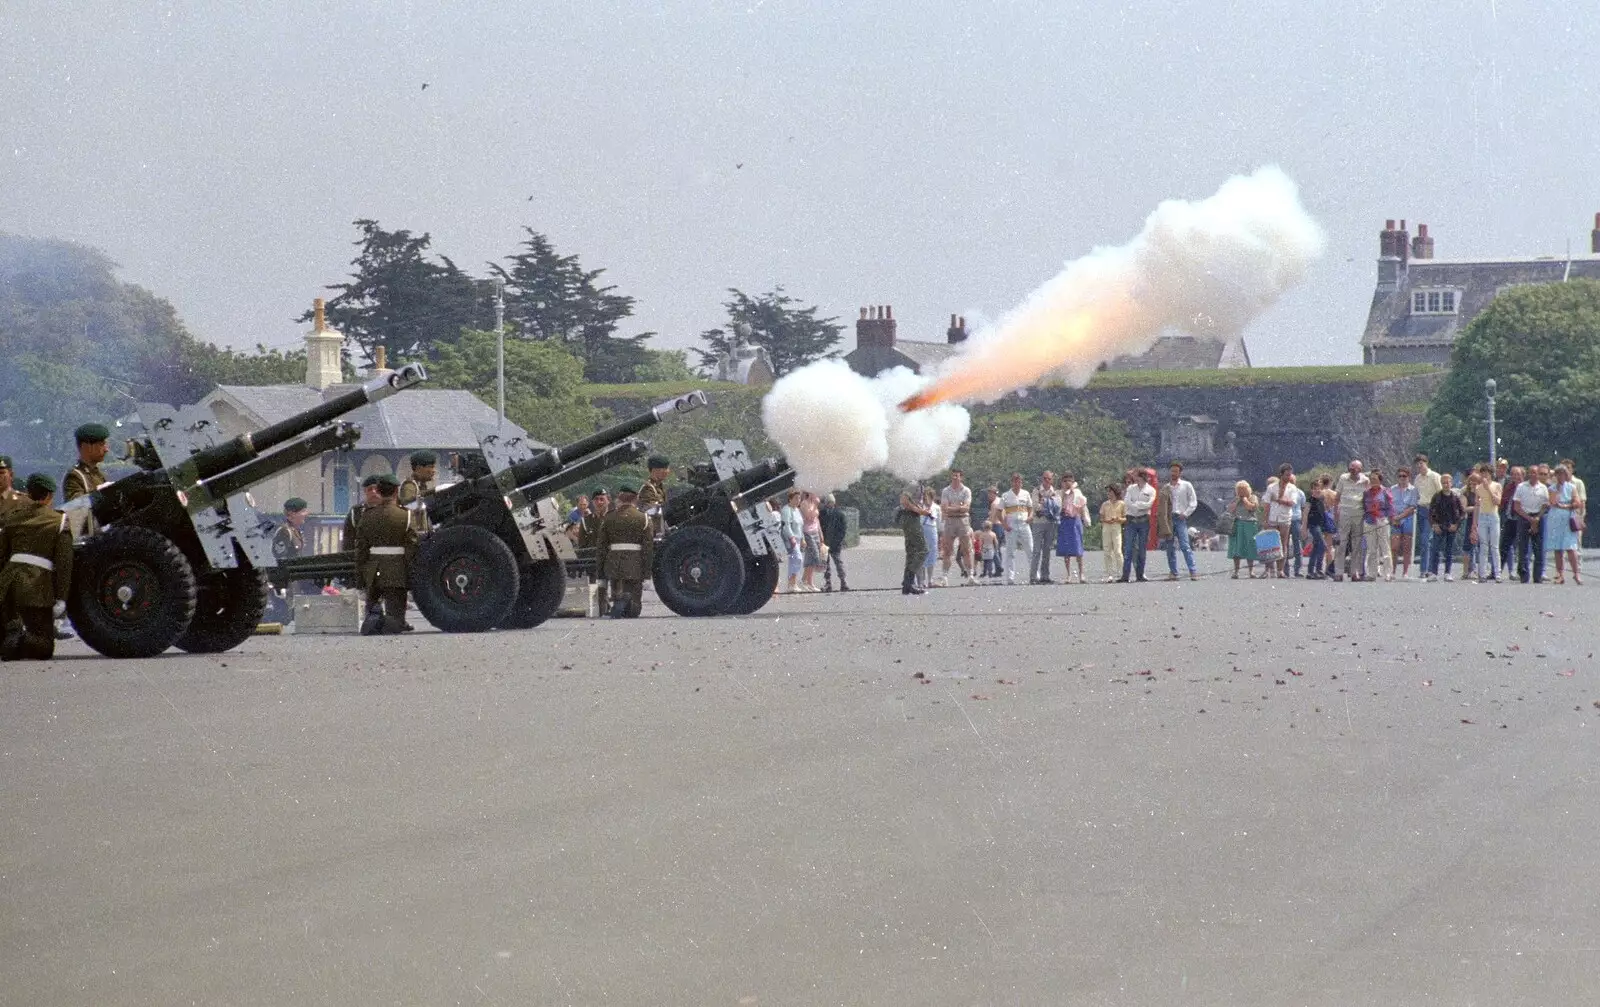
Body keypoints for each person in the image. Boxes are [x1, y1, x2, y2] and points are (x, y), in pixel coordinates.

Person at [0, 474, 73, 661]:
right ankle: (21, 639)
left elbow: (2, 555)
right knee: (45, 646)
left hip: (8, 585)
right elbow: (64, 563)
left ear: (29, 493)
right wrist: (61, 599)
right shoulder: (58, 521)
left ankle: (12, 636)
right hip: (37, 587)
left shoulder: (11, 518)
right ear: (49, 496)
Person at [355, 474, 415, 635]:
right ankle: (392, 623)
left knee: (372, 603)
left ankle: (373, 623)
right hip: (397, 569)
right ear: (396, 491)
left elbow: (361, 549)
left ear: (379, 492)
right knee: (395, 611)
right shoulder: (406, 516)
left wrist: (361, 575)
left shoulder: (367, 516)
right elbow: (411, 547)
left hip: (373, 569)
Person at [596, 485, 653, 617]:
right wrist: (647, 575)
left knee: (616, 593)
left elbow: (601, 548)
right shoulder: (643, 518)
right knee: (635, 609)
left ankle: (620, 600)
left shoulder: (608, 518)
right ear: (636, 499)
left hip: (614, 564)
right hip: (635, 564)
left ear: (619, 498)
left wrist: (601, 575)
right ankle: (629, 603)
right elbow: (648, 549)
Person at [271, 497, 322, 600]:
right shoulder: (284, 532)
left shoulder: (295, 530)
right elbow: (278, 560)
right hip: (285, 586)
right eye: (303, 511)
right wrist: (280, 585)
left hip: (294, 583)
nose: (306, 514)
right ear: (292, 514)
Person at [1160, 462, 1199, 582]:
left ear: (1180, 473)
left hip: (1180, 518)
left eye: (1176, 471)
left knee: (1185, 545)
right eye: (1172, 471)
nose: (1173, 473)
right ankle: (1173, 572)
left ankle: (1193, 571)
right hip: (1169, 519)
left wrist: (1185, 513)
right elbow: (1161, 505)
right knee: (1170, 546)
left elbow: (1193, 502)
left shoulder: (1186, 485)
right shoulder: (1166, 487)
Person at [575, 487, 610, 615]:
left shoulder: (614, 518)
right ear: (592, 503)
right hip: (595, 562)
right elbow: (582, 545)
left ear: (608, 500)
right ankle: (602, 608)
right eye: (596, 500)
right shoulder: (586, 521)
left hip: (613, 560)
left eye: (602, 499)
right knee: (598, 588)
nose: (599, 502)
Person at [1332, 460, 1368, 582]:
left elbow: (1368, 498)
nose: (1352, 470)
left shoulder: (1365, 481)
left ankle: (1355, 572)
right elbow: (1337, 498)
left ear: (1360, 469)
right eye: (1351, 468)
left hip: (1359, 514)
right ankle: (1338, 572)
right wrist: (1336, 512)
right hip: (1345, 514)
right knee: (1341, 544)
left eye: (1355, 468)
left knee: (1357, 545)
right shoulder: (1343, 478)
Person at [1546, 464, 1582, 585]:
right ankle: (1560, 574)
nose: (1561, 476)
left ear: (1566, 475)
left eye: (1563, 474)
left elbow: (1577, 502)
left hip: (1568, 517)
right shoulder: (1552, 488)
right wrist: (1558, 492)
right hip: (1556, 518)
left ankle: (1576, 574)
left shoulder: (1571, 487)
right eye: (1558, 474)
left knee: (1571, 548)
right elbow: (1553, 502)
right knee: (1558, 548)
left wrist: (1566, 505)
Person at [1512, 466, 1549, 584]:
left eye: (1535, 473)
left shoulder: (1543, 488)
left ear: (1538, 474)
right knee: (1523, 547)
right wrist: (1529, 519)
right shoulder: (1521, 487)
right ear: (1528, 474)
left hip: (1538, 517)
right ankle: (1524, 575)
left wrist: (1537, 518)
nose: (1533, 475)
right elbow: (1517, 506)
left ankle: (1537, 576)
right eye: (1531, 473)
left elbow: (1545, 505)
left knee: (1539, 547)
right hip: (1524, 517)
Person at [938, 470, 975, 586]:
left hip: (963, 521)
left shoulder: (966, 490)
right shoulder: (946, 491)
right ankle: (944, 577)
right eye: (953, 476)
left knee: (966, 549)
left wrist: (953, 507)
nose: (954, 478)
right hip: (949, 521)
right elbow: (944, 508)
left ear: (961, 478)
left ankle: (971, 576)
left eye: (957, 476)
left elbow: (966, 508)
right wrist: (959, 507)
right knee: (947, 550)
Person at [1425, 473, 1464, 582]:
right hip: (1439, 526)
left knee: (1449, 550)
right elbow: (1431, 512)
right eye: (1444, 483)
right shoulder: (1436, 496)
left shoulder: (1455, 497)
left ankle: (1448, 573)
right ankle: (1434, 573)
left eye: (1448, 482)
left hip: (1451, 527)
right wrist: (1434, 525)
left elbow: (1462, 513)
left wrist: (1456, 525)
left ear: (1451, 483)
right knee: (1435, 549)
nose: (1446, 485)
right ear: (1441, 484)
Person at [1120, 469, 1155, 583]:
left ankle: (1140, 574)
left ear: (1142, 477)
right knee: (1128, 548)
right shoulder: (1131, 488)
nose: (1134, 478)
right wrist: (1139, 506)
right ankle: (1125, 575)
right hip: (1131, 520)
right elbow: (1126, 501)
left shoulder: (1151, 490)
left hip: (1143, 521)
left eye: (1136, 476)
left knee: (1141, 549)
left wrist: (1136, 506)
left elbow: (1149, 504)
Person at [999, 473, 1034, 586]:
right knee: (1010, 552)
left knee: (1030, 550)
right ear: (1012, 482)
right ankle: (1010, 577)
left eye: (1019, 481)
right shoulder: (1006, 495)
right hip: (1011, 525)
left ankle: (1034, 575)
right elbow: (999, 511)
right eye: (1015, 481)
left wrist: (1030, 517)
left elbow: (1031, 508)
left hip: (1024, 524)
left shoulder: (1026, 494)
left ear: (1021, 482)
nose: (1017, 483)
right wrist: (1004, 524)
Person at [1055, 471, 1090, 584]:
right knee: (1066, 550)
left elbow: (1082, 505)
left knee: (1077, 547)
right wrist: (1064, 495)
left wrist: (1085, 519)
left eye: (1069, 481)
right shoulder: (1059, 493)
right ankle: (1068, 574)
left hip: (1075, 520)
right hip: (1064, 521)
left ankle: (1081, 574)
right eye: (1065, 481)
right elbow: (1056, 507)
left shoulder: (1077, 492)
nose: (1067, 483)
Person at [1470, 463, 1502, 583]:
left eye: (1486, 474)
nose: (1484, 476)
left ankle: (1497, 574)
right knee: (1483, 546)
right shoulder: (1478, 488)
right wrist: (1474, 523)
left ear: (1490, 475)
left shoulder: (1497, 486)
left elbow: (1497, 501)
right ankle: (1482, 574)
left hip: (1493, 516)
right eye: (1482, 473)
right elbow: (1477, 506)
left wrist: (1488, 488)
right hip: (1482, 516)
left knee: (1494, 546)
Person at [1411, 454, 1443, 575]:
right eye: (1417, 464)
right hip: (1421, 509)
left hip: (1432, 509)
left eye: (1421, 463)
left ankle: (1427, 569)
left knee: (1426, 539)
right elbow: (1416, 495)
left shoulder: (1435, 476)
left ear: (1426, 463)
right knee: (1424, 540)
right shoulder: (1417, 478)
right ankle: (1425, 569)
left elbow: (1440, 494)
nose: (1420, 466)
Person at [1362, 469, 1395, 581]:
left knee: (1385, 547)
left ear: (1380, 480)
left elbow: (1390, 506)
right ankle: (1372, 573)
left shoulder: (1386, 491)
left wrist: (1390, 518)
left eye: (1375, 479)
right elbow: (1364, 507)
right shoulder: (1366, 493)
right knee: (1371, 549)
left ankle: (1388, 574)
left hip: (1382, 520)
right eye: (1371, 479)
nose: (1372, 481)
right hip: (1369, 521)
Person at [898, 480, 929, 595]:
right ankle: (908, 581)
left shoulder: (917, 484)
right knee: (923, 550)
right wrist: (920, 511)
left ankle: (907, 584)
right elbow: (904, 500)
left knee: (911, 552)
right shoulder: (913, 484)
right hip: (911, 519)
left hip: (911, 518)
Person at [1030, 471, 1061, 584]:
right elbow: (1035, 506)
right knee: (1036, 551)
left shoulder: (1055, 492)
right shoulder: (1036, 491)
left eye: (1049, 479)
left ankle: (1045, 576)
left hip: (1050, 523)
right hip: (1038, 523)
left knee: (1047, 550)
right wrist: (1049, 506)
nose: (1047, 481)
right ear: (1042, 479)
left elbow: (1058, 507)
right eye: (1045, 478)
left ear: (1052, 480)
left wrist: (1045, 503)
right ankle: (1033, 577)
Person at [1388, 467, 1419, 579]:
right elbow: (1389, 505)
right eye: (1400, 476)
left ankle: (1405, 572)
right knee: (1394, 547)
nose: (1402, 478)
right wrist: (1393, 518)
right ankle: (1392, 571)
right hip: (1395, 519)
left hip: (1408, 518)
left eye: (1404, 476)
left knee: (1407, 546)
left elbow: (1412, 507)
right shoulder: (1392, 489)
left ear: (1408, 477)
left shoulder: (1413, 490)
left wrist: (1399, 517)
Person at [1226, 480, 1260, 579]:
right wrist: (1237, 500)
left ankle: (1251, 571)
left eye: (1243, 490)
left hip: (1250, 524)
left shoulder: (1253, 497)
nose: (1241, 492)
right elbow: (1230, 510)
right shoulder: (1235, 499)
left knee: (1250, 547)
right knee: (1236, 548)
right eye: (1239, 490)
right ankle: (1236, 571)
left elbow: (1251, 508)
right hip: (1237, 524)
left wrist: (1245, 499)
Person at [341, 475, 384, 553]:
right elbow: (348, 541)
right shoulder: (356, 512)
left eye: (377, 489)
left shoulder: (391, 510)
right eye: (370, 489)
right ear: (365, 492)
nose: (374, 492)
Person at [398, 449, 437, 533]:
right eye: (430, 467)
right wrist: (433, 491)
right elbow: (408, 505)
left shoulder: (421, 486)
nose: (434, 471)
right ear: (419, 468)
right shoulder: (409, 485)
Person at [819, 494, 849, 592]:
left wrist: (838, 541)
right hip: (825, 542)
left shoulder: (839, 514)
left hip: (835, 543)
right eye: (828, 502)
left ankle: (843, 582)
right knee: (826, 565)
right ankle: (828, 583)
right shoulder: (822, 513)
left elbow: (843, 530)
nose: (830, 504)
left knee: (838, 563)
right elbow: (820, 528)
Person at [1303, 474, 1329, 580]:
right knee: (1322, 545)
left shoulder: (1321, 500)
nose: (1317, 490)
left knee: (1316, 547)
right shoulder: (1310, 501)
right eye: (1315, 488)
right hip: (1313, 526)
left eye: (1319, 488)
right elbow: (1305, 514)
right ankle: (1317, 569)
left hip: (1320, 525)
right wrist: (1304, 528)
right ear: (1311, 489)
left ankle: (1312, 571)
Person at [637, 455, 671, 537]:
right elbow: (651, 513)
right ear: (655, 470)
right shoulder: (648, 489)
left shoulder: (660, 487)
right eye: (665, 469)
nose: (668, 471)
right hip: (653, 534)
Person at [779, 489, 805, 593]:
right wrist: (792, 538)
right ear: (790, 499)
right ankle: (791, 583)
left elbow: (800, 526)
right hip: (791, 540)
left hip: (798, 538)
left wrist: (802, 538)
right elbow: (786, 526)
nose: (798, 500)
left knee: (794, 561)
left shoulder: (797, 510)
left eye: (799, 498)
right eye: (796, 498)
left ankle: (792, 584)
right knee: (797, 559)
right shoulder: (787, 510)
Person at [1099, 483, 1125, 583]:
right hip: (1106, 527)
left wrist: (1119, 519)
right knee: (1107, 551)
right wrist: (1106, 520)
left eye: (1110, 491)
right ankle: (1109, 574)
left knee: (1118, 550)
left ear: (1115, 492)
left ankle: (1121, 573)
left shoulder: (1121, 504)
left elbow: (1125, 518)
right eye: (1108, 491)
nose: (1108, 493)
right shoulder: (1105, 504)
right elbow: (1101, 517)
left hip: (1116, 526)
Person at [801, 491, 826, 592]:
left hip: (815, 531)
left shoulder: (814, 504)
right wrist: (815, 505)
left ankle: (808, 582)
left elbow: (816, 519)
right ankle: (804, 580)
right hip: (807, 532)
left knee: (813, 557)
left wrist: (820, 534)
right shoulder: (805, 503)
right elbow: (809, 516)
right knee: (814, 555)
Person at [919, 487, 940, 589]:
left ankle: (930, 579)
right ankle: (922, 580)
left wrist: (941, 535)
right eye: (924, 496)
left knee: (932, 554)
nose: (924, 499)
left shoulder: (936, 507)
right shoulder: (920, 507)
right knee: (922, 554)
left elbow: (939, 523)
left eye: (926, 496)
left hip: (932, 530)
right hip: (922, 530)